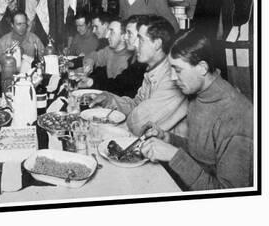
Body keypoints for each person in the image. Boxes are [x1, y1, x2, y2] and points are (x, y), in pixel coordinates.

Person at [140, 30, 253, 190]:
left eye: (177, 70)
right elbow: (204, 155)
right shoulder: (198, 94)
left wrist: (174, 155)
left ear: (202, 68)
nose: (172, 77)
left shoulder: (236, 116)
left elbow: (228, 196)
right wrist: (169, 139)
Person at [94, 15, 188, 136]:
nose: (136, 44)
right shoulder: (153, 70)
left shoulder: (172, 78)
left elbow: (139, 123)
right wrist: (109, 99)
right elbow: (136, 105)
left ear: (157, 44)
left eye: (141, 39)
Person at [80, 15, 147, 98]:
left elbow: (120, 89)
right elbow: (93, 55)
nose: (107, 36)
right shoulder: (115, 52)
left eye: (129, 33)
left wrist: (92, 82)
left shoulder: (136, 61)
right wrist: (90, 64)